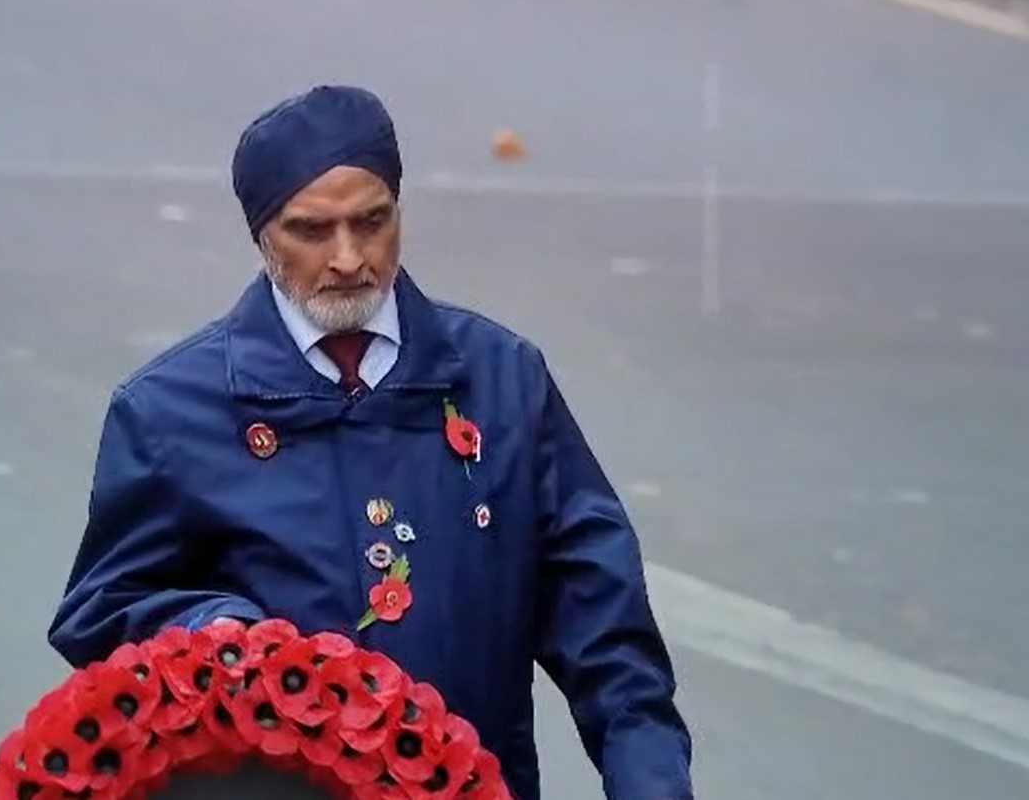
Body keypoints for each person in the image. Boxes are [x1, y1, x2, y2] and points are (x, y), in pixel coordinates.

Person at [48, 85, 693, 800]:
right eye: (311, 231)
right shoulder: (171, 411)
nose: (349, 258)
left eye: (372, 221)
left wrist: (651, 785)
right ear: (262, 236)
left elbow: (605, 630)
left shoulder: (502, 379)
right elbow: (104, 609)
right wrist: (219, 634)